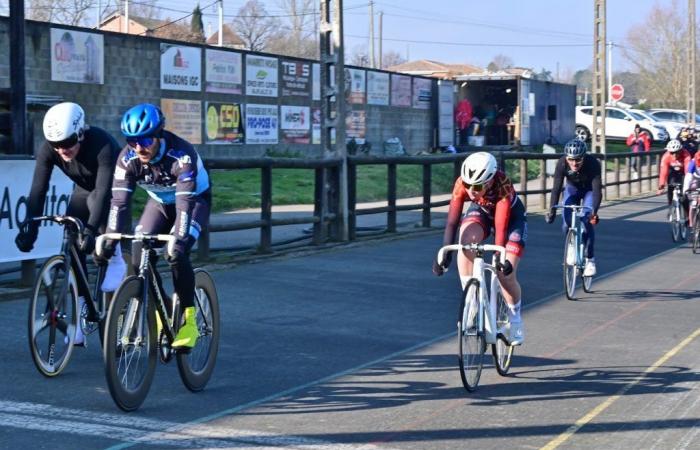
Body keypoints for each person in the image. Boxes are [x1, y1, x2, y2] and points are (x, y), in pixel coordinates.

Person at [15, 102, 126, 345]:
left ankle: (116, 258)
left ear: (80, 133)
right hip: (83, 191)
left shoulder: (102, 144)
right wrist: (30, 228)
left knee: (98, 242)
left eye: (67, 143)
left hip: (114, 192)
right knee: (72, 237)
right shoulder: (50, 149)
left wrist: (91, 230)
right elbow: (38, 190)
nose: (61, 150)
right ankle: (81, 309)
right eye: (56, 145)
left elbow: (104, 192)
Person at [103, 103, 211, 350]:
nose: (139, 147)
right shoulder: (127, 158)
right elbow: (119, 202)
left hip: (193, 202)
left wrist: (179, 239)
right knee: (139, 254)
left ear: (159, 134)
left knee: (176, 253)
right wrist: (109, 239)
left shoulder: (181, 155)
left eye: (145, 139)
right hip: (160, 203)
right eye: (132, 140)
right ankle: (162, 313)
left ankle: (188, 320)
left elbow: (185, 203)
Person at [432, 151, 527, 346]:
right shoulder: (463, 184)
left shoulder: (502, 185)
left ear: (490, 181)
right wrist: (444, 254)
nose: (471, 191)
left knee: (505, 275)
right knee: (465, 240)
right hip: (482, 212)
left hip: (511, 219)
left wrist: (501, 258)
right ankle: (472, 301)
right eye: (468, 185)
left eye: (476, 186)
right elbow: (452, 222)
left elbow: (500, 227)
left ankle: (515, 318)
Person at [545, 138, 602, 277]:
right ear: (566, 157)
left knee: (586, 220)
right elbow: (557, 188)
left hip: (589, 191)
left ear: (584, 157)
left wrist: (594, 212)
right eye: (571, 159)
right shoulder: (562, 163)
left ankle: (590, 259)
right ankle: (571, 244)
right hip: (572, 189)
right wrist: (551, 209)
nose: (574, 163)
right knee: (566, 223)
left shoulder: (593, 163)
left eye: (578, 160)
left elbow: (597, 191)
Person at [657, 139, 691, 224]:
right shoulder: (666, 156)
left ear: (680, 150)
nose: (674, 155)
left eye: (676, 152)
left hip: (683, 173)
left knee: (684, 197)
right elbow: (663, 171)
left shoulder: (686, 154)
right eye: (672, 153)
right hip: (672, 172)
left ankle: (688, 215)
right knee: (670, 189)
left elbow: (688, 171)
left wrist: (688, 185)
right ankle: (671, 207)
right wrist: (661, 185)